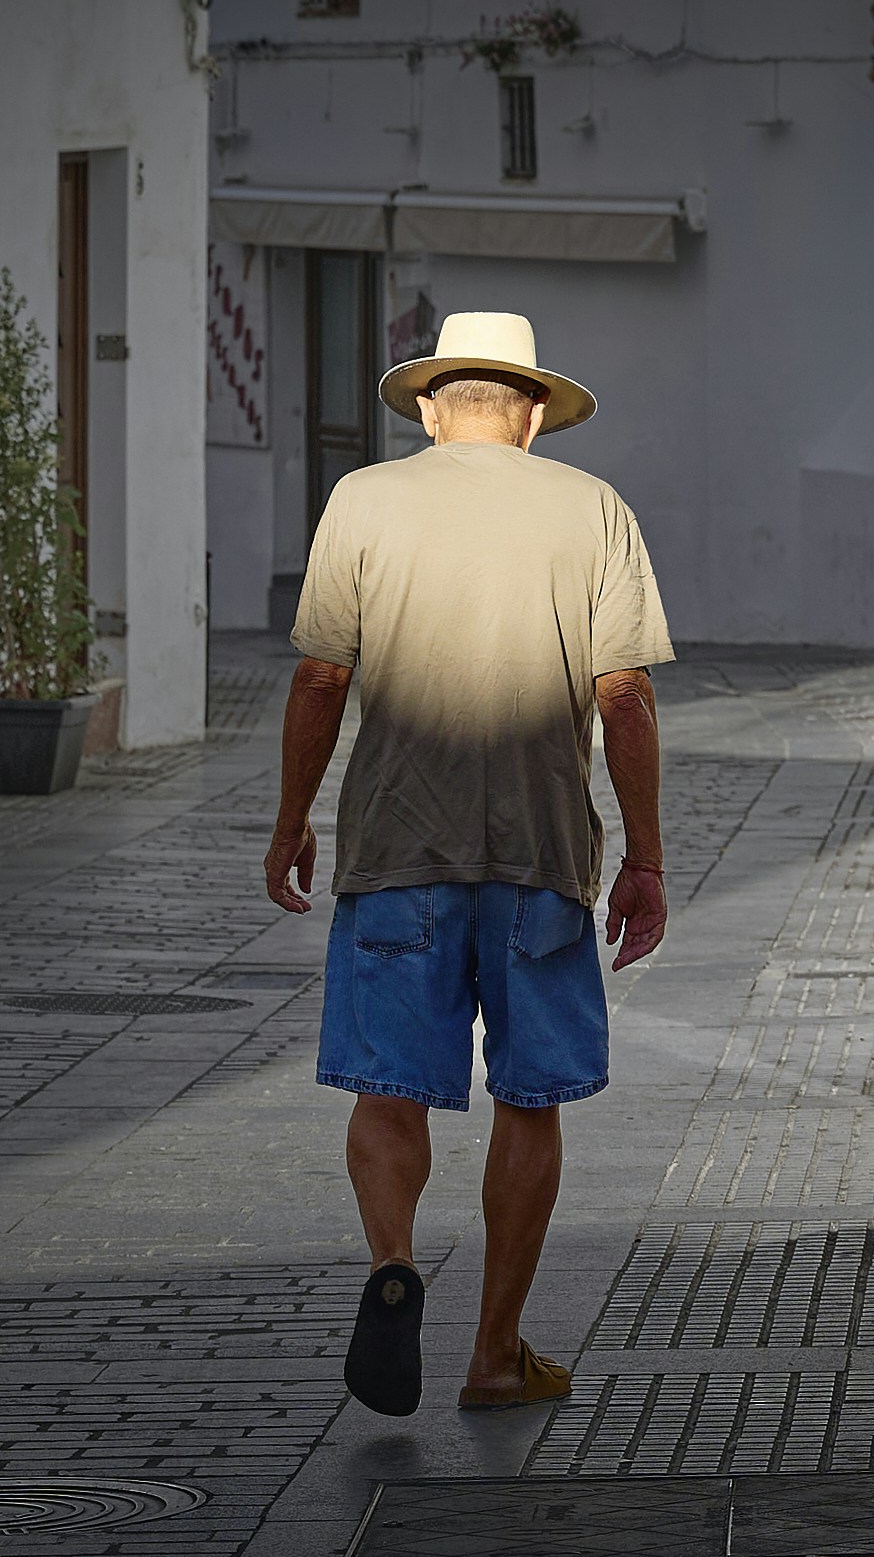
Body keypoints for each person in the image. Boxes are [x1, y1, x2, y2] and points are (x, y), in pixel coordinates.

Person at [263, 310, 672, 1418]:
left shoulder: (363, 501)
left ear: (433, 413)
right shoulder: (593, 508)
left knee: (388, 1088)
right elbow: (626, 697)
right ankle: (495, 1352)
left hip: (397, 848)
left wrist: (293, 817)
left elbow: (319, 680)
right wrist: (644, 857)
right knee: (529, 1099)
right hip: (542, 856)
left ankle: (394, 1258)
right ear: (532, 416)